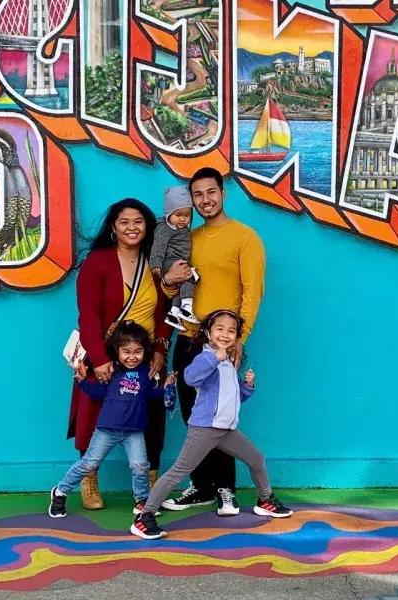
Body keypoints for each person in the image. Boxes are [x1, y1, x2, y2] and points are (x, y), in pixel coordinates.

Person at [131, 310, 291, 539]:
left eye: (231, 331)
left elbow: (229, 398)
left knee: (256, 459)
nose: (226, 334)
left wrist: (246, 387)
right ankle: (145, 518)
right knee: (178, 472)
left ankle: (265, 500)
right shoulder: (206, 357)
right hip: (204, 429)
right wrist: (215, 357)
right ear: (208, 332)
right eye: (220, 329)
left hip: (226, 430)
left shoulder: (227, 362)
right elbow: (190, 377)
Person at [69, 198, 186, 510]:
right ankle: (88, 478)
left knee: (153, 415)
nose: (132, 228)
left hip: (145, 355)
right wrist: (99, 358)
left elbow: (165, 313)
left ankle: (150, 483)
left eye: (139, 221)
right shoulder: (97, 262)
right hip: (105, 354)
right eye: (124, 222)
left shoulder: (156, 263)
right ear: (113, 228)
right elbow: (89, 315)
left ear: (148, 227)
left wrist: (161, 348)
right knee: (93, 413)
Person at [162, 167, 266, 517]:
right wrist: (167, 282)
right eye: (197, 195)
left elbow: (252, 293)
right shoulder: (188, 238)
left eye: (211, 192)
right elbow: (173, 286)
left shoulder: (245, 237)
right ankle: (202, 486)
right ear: (191, 200)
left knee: (220, 419)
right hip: (188, 340)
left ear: (223, 193)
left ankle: (225, 490)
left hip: (223, 344)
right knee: (195, 419)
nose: (205, 200)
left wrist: (239, 340)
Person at [50, 321, 175, 518]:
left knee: (140, 465)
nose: (132, 357)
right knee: (89, 464)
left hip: (134, 432)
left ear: (145, 352)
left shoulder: (145, 374)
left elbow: (151, 394)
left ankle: (142, 501)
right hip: (107, 430)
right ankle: (60, 492)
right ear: (117, 350)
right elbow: (97, 392)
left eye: (138, 352)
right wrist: (82, 381)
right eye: (126, 351)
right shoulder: (112, 371)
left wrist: (166, 388)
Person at [150, 186, 199, 330]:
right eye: (178, 215)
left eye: (187, 215)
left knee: (183, 284)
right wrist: (156, 263)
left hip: (178, 261)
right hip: (169, 262)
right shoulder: (165, 228)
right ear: (169, 213)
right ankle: (186, 308)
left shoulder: (182, 229)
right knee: (189, 278)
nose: (183, 219)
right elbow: (158, 246)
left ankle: (174, 313)